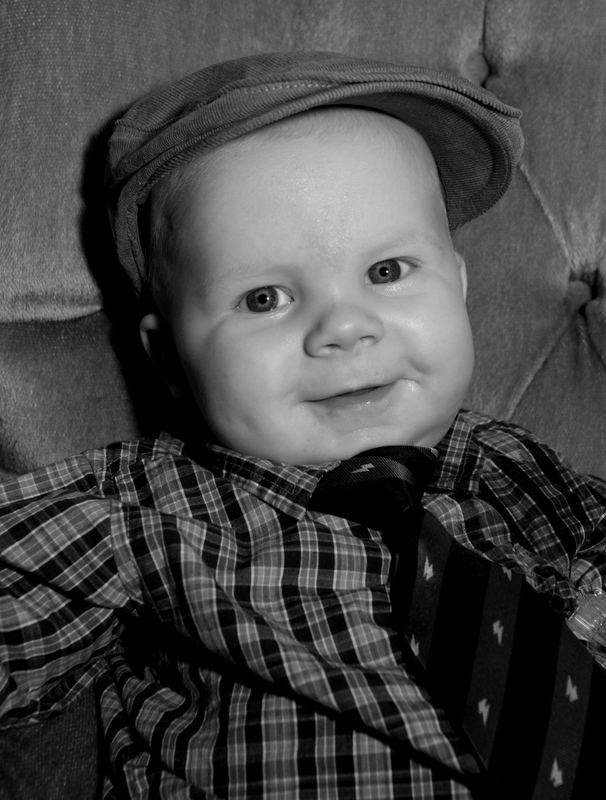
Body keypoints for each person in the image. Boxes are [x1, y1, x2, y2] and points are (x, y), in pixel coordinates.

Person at [1, 51, 605, 799]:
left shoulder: (516, 467)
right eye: (265, 298)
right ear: (169, 359)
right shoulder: (140, 507)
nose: (345, 328)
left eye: (387, 271)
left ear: (458, 285)